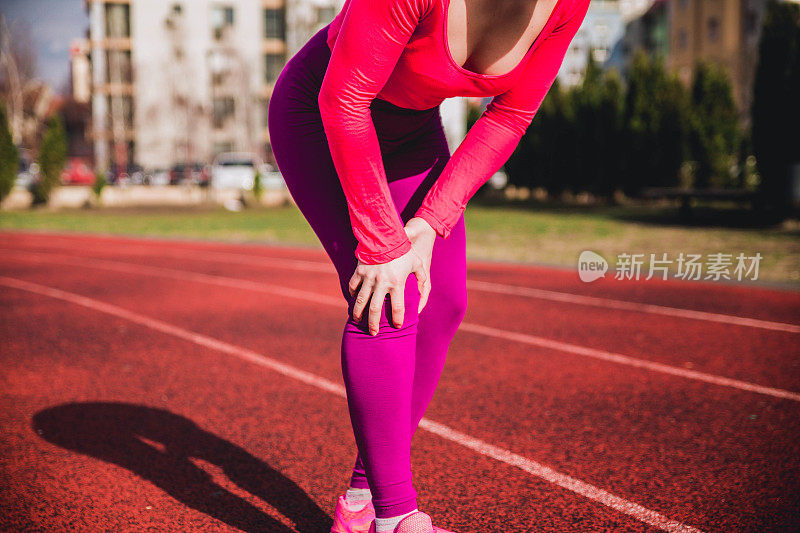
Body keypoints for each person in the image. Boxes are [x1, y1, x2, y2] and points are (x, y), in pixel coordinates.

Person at [267, 0, 589, 531]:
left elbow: (512, 114)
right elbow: (345, 100)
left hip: (413, 132)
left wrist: (431, 220)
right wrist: (382, 243)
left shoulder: (569, 4)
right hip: (325, 115)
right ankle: (396, 518)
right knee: (388, 294)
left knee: (442, 303)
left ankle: (360, 504)